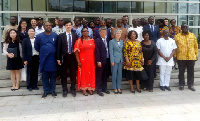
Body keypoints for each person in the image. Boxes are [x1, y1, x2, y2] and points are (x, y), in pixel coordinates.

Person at [34, 22, 58, 98]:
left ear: (51, 26)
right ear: (44, 27)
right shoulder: (39, 36)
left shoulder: (55, 35)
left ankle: (53, 90)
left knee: (53, 76)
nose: (48, 26)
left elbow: (58, 46)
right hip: (44, 59)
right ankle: (46, 91)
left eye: (50, 25)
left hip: (53, 59)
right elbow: (36, 47)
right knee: (45, 76)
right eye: (46, 25)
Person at [174, 23, 198, 91]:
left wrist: (196, 55)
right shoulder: (177, 36)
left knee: (191, 72)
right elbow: (175, 47)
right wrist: (175, 56)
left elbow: (195, 46)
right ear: (181, 28)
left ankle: (190, 85)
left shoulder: (192, 35)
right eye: (183, 27)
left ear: (188, 28)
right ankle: (181, 84)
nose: (185, 28)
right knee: (181, 72)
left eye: (186, 27)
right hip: (181, 57)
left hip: (191, 57)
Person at [57, 21, 78, 97]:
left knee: (73, 74)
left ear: (72, 26)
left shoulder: (75, 35)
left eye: (69, 25)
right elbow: (58, 48)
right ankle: (65, 89)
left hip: (72, 57)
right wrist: (58, 58)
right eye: (67, 25)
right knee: (64, 74)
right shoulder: (61, 36)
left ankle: (73, 89)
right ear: (65, 27)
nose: (68, 26)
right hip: (64, 57)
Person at [74, 27, 95, 96]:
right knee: (83, 75)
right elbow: (76, 51)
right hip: (83, 61)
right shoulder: (79, 41)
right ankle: (84, 89)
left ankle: (90, 88)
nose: (86, 32)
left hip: (91, 61)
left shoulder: (92, 40)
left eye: (87, 31)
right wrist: (78, 61)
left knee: (90, 74)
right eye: (84, 31)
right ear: (82, 32)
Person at [22, 27, 39, 91]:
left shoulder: (37, 39)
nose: (31, 32)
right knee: (29, 72)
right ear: (27, 32)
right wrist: (25, 60)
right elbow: (24, 51)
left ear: (34, 32)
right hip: (29, 58)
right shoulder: (25, 40)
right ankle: (29, 85)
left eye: (32, 31)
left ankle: (35, 85)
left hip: (36, 57)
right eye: (30, 31)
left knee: (35, 72)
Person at [95, 27, 110, 96]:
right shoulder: (97, 40)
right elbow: (97, 51)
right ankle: (99, 89)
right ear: (100, 33)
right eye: (102, 32)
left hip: (107, 59)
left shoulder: (107, 40)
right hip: (100, 61)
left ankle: (105, 88)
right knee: (99, 75)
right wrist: (98, 61)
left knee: (105, 75)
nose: (104, 33)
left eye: (105, 32)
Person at [109, 28, 124, 94]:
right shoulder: (111, 41)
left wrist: (123, 59)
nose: (118, 34)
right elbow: (111, 52)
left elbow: (122, 51)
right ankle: (114, 88)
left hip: (120, 59)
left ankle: (119, 87)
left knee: (119, 74)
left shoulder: (122, 41)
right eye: (117, 33)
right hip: (114, 60)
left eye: (119, 33)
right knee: (114, 74)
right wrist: (112, 60)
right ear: (114, 34)